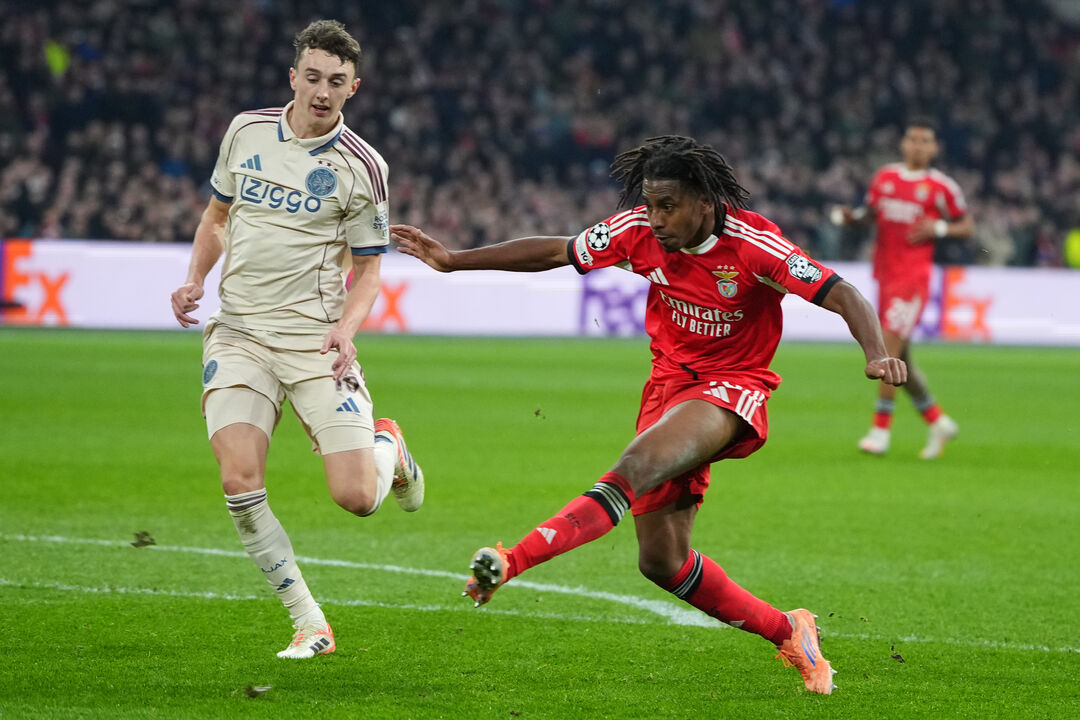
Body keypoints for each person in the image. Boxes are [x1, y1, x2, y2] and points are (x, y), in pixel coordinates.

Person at [392, 135, 907, 695]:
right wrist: (452, 261)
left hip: (733, 388)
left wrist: (876, 350)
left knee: (633, 466)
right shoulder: (636, 230)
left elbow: (842, 293)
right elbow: (555, 252)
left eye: (669, 206)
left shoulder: (755, 245)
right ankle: (790, 630)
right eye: (650, 204)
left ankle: (510, 560)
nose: (655, 219)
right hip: (667, 388)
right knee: (662, 561)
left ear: (704, 203)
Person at [169, 19, 425, 660]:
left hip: (313, 339)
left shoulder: (364, 167)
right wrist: (194, 278)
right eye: (312, 76)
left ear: (353, 87)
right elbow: (216, 216)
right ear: (293, 76)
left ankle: (387, 446)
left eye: (336, 81)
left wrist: (346, 328)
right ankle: (310, 622)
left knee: (356, 498)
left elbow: (368, 268)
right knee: (239, 481)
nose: (322, 90)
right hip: (240, 333)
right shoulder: (245, 130)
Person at [832, 117, 972, 459]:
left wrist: (938, 228)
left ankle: (880, 431)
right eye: (913, 139)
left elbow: (966, 225)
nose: (918, 146)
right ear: (904, 144)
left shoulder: (941, 187)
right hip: (885, 275)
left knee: (887, 349)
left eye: (925, 141)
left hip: (913, 280)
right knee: (902, 357)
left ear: (935, 148)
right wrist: (855, 218)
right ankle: (937, 421)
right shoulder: (885, 178)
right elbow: (872, 212)